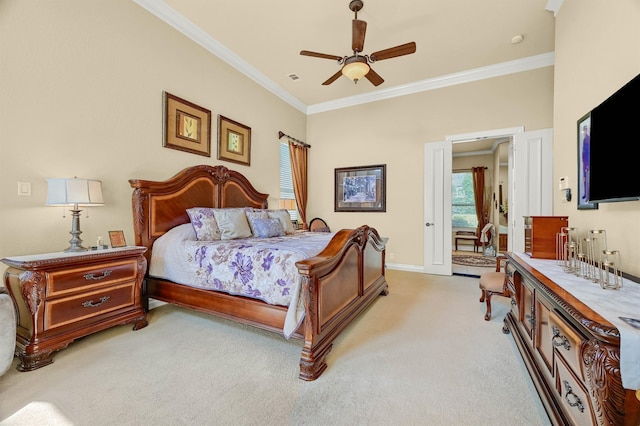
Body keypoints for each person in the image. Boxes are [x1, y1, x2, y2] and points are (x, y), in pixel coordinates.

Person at [581, 125, 590, 200]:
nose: (584, 132)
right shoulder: (584, 139)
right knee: (584, 178)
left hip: (587, 163)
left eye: (585, 130)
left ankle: (588, 195)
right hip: (584, 163)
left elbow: (588, 152)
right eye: (583, 130)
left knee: (587, 179)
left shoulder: (588, 139)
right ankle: (585, 193)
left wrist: (587, 164)